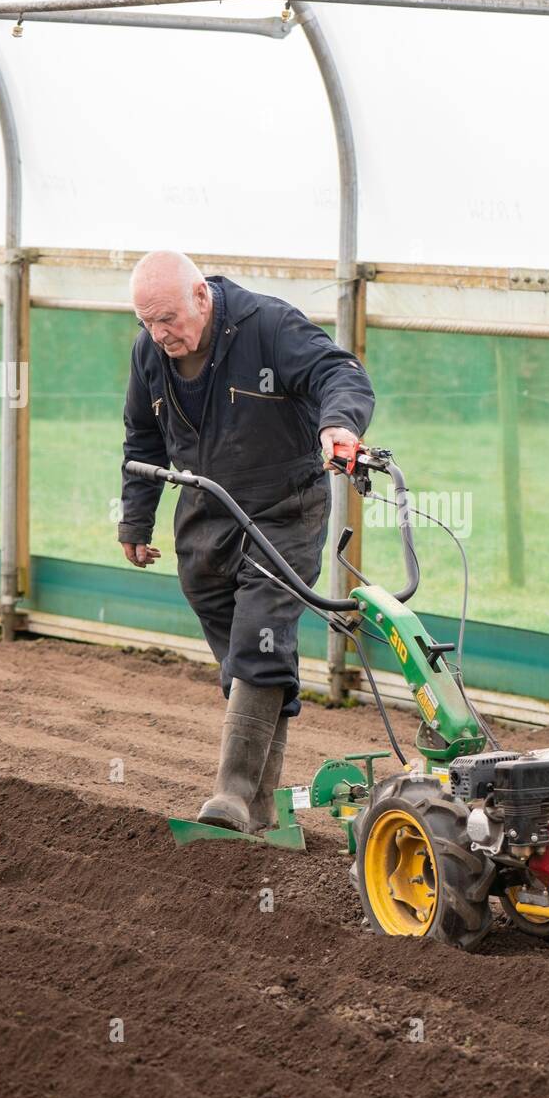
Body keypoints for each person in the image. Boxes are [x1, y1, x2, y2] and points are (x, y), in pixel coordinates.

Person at [118, 250, 375, 833]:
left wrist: (339, 423)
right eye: (146, 323)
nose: (159, 335)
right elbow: (142, 435)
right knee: (244, 649)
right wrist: (136, 520)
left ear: (201, 297)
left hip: (284, 509)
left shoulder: (269, 326)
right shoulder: (150, 353)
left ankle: (230, 795)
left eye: (168, 320)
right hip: (205, 510)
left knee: (261, 635)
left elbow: (340, 373)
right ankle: (260, 810)